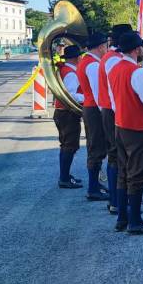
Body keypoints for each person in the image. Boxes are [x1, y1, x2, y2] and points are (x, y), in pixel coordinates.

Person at [108, 31, 143, 235]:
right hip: (139, 128)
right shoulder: (137, 72)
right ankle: (135, 221)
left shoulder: (114, 69)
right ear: (136, 49)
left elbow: (113, 102)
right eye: (141, 46)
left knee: (124, 173)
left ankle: (123, 218)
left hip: (121, 125)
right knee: (137, 174)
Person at [98, 23, 131, 215]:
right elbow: (114, 91)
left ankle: (116, 199)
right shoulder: (113, 59)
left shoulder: (112, 57)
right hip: (113, 111)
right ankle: (116, 200)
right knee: (115, 155)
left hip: (110, 109)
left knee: (116, 155)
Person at [77, 32, 110, 202]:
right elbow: (99, 94)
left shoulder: (88, 61)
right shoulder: (93, 65)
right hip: (95, 109)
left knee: (94, 146)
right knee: (96, 148)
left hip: (91, 108)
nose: (108, 48)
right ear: (100, 47)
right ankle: (93, 188)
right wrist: (106, 113)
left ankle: (95, 185)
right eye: (106, 45)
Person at [53, 44, 85, 189]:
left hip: (62, 112)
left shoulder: (65, 69)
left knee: (66, 145)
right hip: (67, 113)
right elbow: (70, 94)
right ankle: (64, 178)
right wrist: (86, 96)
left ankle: (65, 175)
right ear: (77, 58)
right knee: (69, 146)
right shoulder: (71, 73)